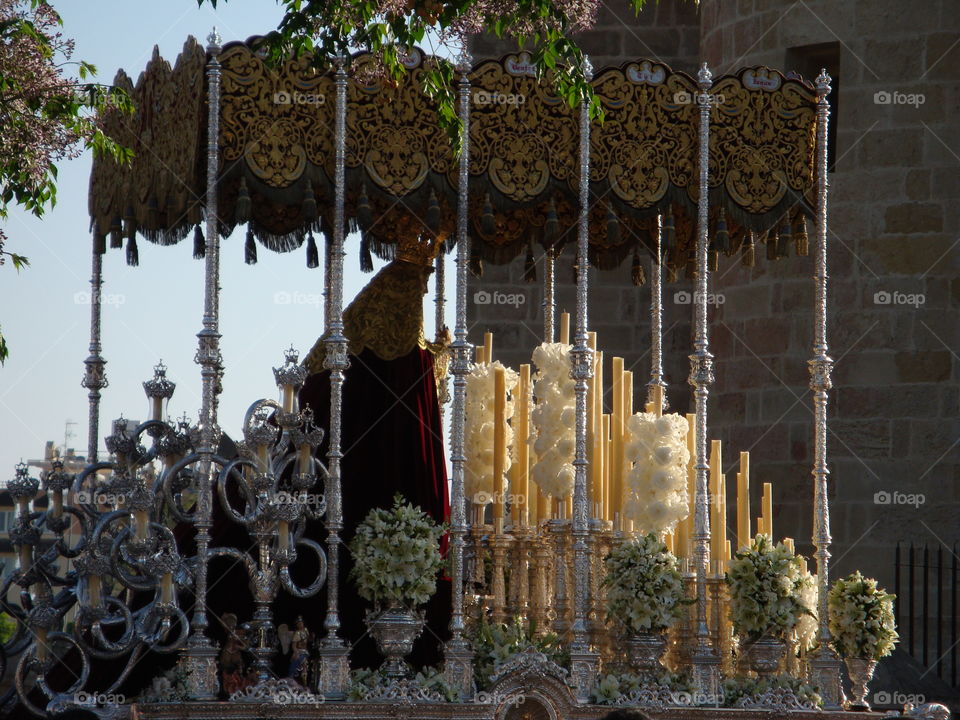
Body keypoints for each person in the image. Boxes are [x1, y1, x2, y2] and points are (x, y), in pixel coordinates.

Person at [298, 233, 451, 669]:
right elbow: (403, 394)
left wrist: (434, 358)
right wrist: (430, 362)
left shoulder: (399, 344)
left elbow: (414, 384)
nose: (423, 292)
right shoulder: (389, 345)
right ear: (401, 288)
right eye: (419, 284)